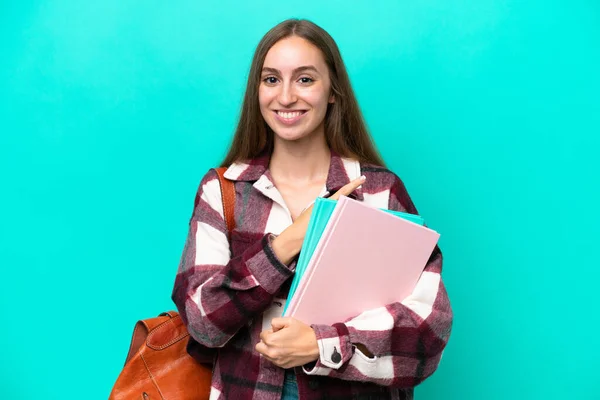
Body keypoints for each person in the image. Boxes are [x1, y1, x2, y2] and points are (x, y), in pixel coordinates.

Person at [172, 18, 452, 400]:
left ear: (333, 91)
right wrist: (289, 241)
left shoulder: (379, 192)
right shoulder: (224, 191)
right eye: (271, 80)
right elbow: (202, 323)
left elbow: (426, 331)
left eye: (305, 79)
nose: (286, 97)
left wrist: (322, 345)